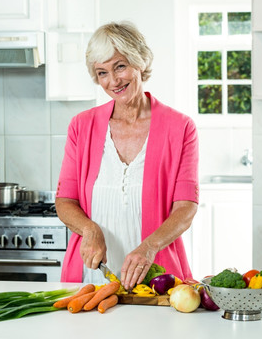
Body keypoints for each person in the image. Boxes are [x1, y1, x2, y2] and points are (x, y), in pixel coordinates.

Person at [56, 22, 199, 290]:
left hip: (157, 279)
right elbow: (65, 200)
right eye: (102, 72)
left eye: (120, 66)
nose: (113, 81)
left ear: (140, 62)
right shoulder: (81, 126)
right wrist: (89, 229)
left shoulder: (180, 127)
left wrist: (149, 247)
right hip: (93, 280)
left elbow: (186, 207)